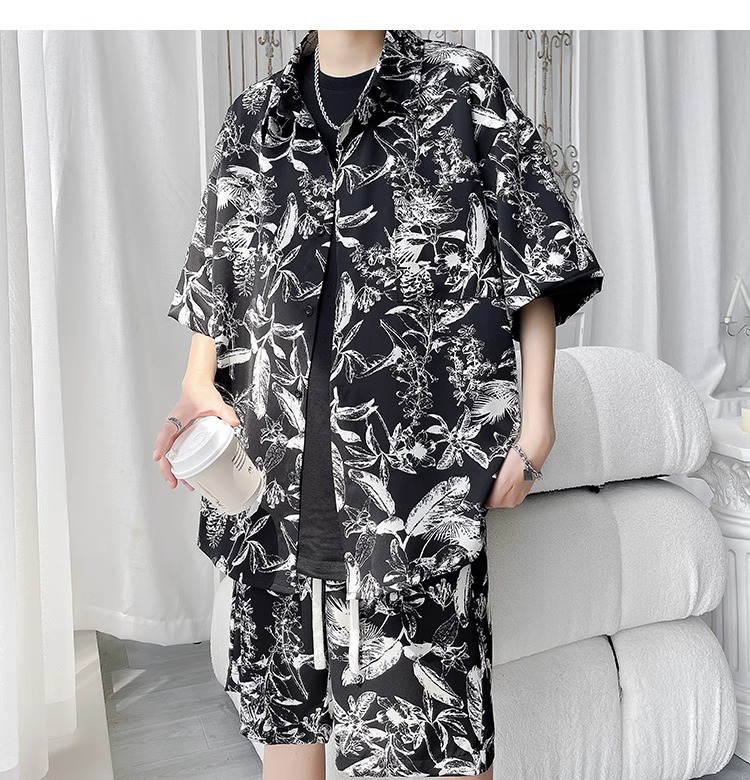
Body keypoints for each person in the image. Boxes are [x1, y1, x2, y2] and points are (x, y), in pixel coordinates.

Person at [152, 29, 604, 779]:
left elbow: (537, 251)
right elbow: (218, 272)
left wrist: (537, 424)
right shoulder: (257, 117)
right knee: (286, 739)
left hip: (412, 497)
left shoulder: (461, 87)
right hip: (272, 494)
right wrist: (195, 385)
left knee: (439, 748)